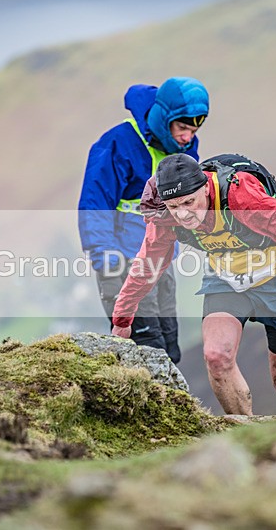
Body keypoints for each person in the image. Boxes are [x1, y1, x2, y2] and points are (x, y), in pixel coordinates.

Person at [111, 154, 276, 416]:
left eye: (189, 202)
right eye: (175, 206)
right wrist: (122, 318)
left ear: (206, 188)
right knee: (216, 357)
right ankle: (246, 435)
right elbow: (146, 266)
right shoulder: (165, 217)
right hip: (227, 281)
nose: (184, 214)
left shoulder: (240, 196)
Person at [78, 77, 209, 364]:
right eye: (183, 128)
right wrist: (106, 261)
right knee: (144, 347)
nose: (188, 137)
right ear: (164, 118)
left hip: (161, 259)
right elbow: (94, 204)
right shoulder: (116, 143)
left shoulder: (185, 149)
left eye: (194, 129)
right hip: (121, 260)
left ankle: (171, 408)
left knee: (170, 347)